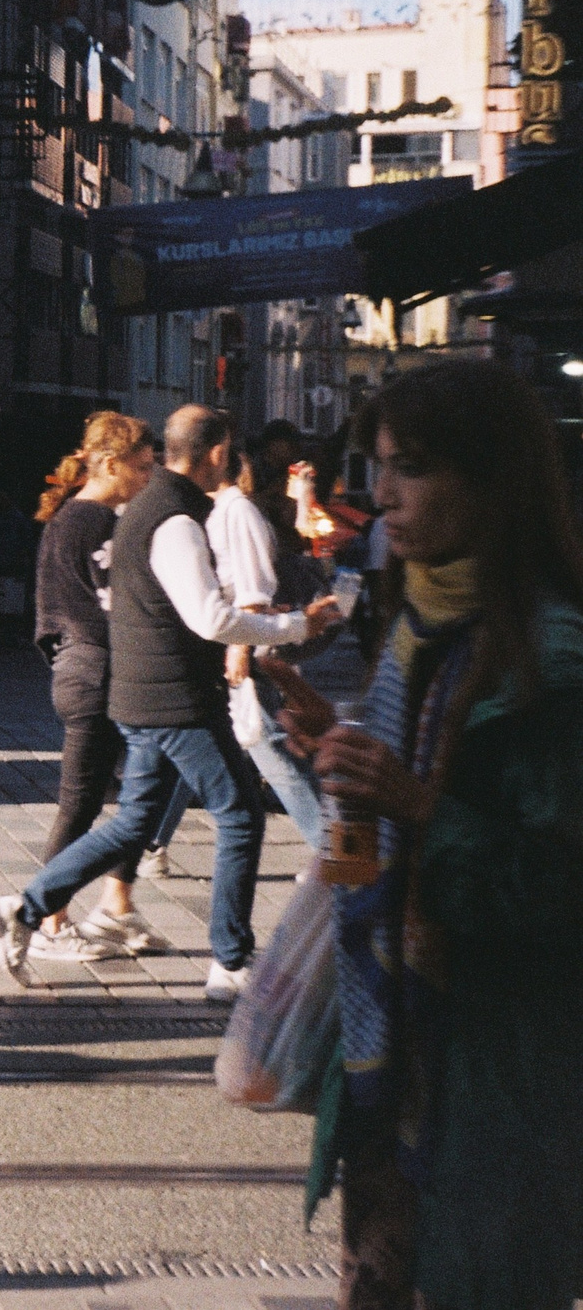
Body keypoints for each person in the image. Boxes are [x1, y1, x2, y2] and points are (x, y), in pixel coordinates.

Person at [260, 361, 583, 1310]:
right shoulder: (421, 629)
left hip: (501, 1075)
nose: (384, 495)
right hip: (399, 1064)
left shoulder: (553, 661)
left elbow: (560, 891)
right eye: (379, 465)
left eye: (414, 468)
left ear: (493, 481)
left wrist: (415, 803)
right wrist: (345, 752)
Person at [0, 406, 340, 1000]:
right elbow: (209, 619)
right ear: (220, 454)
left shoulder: (153, 510)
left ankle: (22, 909)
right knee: (241, 814)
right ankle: (230, 963)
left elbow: (181, 603)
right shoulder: (172, 517)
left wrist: (273, 622)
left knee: (134, 820)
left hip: (147, 691)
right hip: (173, 696)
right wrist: (297, 625)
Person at [144, 446, 328, 874]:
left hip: (243, 650)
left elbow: (254, 588)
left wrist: (240, 649)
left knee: (273, 753)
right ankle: (152, 842)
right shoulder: (215, 511)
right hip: (222, 649)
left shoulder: (237, 512)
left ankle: (330, 848)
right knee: (193, 747)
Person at [26, 410, 167, 960]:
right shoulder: (90, 521)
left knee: (140, 792)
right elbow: (107, 604)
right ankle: (50, 923)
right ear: (108, 464)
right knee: (83, 801)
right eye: (141, 466)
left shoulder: (90, 517)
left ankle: (116, 906)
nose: (148, 476)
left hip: (92, 670)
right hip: (96, 671)